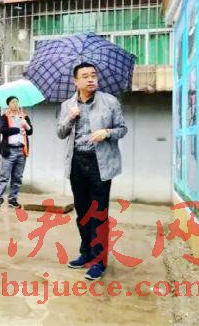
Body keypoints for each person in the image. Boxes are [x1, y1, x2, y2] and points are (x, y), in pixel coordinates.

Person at [57, 62, 127, 281]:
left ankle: (98, 261)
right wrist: (70, 117)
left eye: (93, 75)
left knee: (99, 214)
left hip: (100, 163)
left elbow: (122, 129)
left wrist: (107, 132)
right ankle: (86, 253)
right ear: (75, 81)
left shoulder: (110, 101)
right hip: (77, 162)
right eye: (85, 76)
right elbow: (60, 133)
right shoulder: (67, 105)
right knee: (83, 213)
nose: (90, 79)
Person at [0, 96, 33, 210]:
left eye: (17, 102)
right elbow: (2, 130)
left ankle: (12, 200)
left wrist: (26, 125)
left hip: (21, 150)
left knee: (17, 177)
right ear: (8, 105)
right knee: (4, 177)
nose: (15, 104)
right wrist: (17, 129)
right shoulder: (4, 117)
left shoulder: (24, 116)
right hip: (9, 150)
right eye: (13, 102)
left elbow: (30, 131)